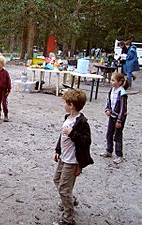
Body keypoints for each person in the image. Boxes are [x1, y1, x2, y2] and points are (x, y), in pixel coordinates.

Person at [53, 89, 94, 225]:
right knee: (57, 179)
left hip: (72, 161)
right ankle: (71, 199)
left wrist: (72, 133)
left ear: (72, 105)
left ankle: (68, 217)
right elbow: (62, 136)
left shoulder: (81, 123)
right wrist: (58, 149)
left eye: (65, 103)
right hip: (64, 157)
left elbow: (86, 140)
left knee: (64, 188)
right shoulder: (67, 118)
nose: (63, 105)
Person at [100, 73, 129, 164]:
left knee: (117, 136)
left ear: (120, 82)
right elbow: (109, 101)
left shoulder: (122, 93)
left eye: (113, 80)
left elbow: (123, 108)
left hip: (119, 117)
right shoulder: (112, 90)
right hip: (112, 116)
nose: (111, 82)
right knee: (109, 133)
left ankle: (119, 155)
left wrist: (119, 120)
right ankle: (109, 150)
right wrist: (107, 109)